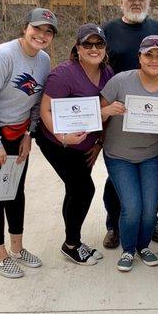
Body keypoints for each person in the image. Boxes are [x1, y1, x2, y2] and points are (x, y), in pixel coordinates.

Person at [0, 8, 57, 278]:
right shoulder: (2, 56)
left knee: (15, 189)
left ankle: (17, 248)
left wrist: (30, 134)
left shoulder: (43, 61)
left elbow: (36, 102)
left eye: (48, 31)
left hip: (17, 132)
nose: (41, 35)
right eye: (37, 29)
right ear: (25, 27)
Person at [101, 0, 158, 248]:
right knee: (118, 183)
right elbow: (89, 59)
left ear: (148, 1)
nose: (136, 3)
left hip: (152, 115)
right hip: (118, 116)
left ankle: (148, 224)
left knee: (147, 192)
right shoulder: (108, 30)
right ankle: (115, 225)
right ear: (121, 1)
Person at [100, 35, 158, 272]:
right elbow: (97, 110)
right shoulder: (120, 81)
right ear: (140, 57)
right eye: (149, 55)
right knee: (132, 207)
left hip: (151, 155)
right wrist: (107, 110)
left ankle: (143, 245)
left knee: (149, 209)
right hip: (119, 154)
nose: (154, 60)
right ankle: (128, 249)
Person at [35, 23, 114, 265]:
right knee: (83, 189)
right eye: (87, 44)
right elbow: (45, 110)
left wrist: (99, 142)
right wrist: (62, 138)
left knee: (75, 188)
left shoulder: (108, 73)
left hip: (86, 145)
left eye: (98, 44)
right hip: (57, 142)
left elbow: (106, 112)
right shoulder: (64, 73)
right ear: (77, 48)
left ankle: (72, 240)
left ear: (105, 48)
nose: (93, 48)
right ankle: (72, 244)